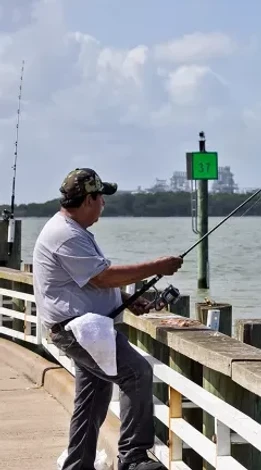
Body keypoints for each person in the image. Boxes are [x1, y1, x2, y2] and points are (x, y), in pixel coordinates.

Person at [32, 168, 184, 470]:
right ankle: (133, 457)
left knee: (92, 396)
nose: (104, 204)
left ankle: (78, 464)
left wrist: (127, 300)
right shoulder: (65, 234)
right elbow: (102, 277)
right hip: (78, 329)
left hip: (82, 327)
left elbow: (90, 281)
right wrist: (159, 266)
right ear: (89, 199)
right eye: (101, 197)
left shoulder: (72, 230)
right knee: (137, 372)